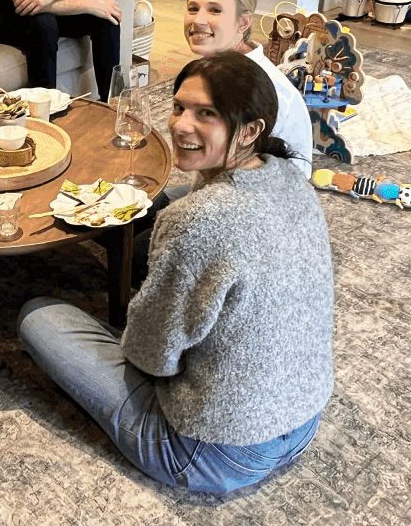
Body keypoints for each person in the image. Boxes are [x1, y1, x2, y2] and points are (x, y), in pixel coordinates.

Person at [18, 51, 334, 495]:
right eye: (179, 107)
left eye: (206, 114)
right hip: (302, 420)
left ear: (249, 130)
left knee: (40, 315)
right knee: (165, 232)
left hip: (213, 451)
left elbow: (151, 356)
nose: (181, 124)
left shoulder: (198, 219)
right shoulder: (289, 177)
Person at [183, 0, 313, 178]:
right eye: (193, 8)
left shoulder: (262, 88)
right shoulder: (220, 69)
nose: (198, 20)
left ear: (242, 23)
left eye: (215, 10)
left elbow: (271, 180)